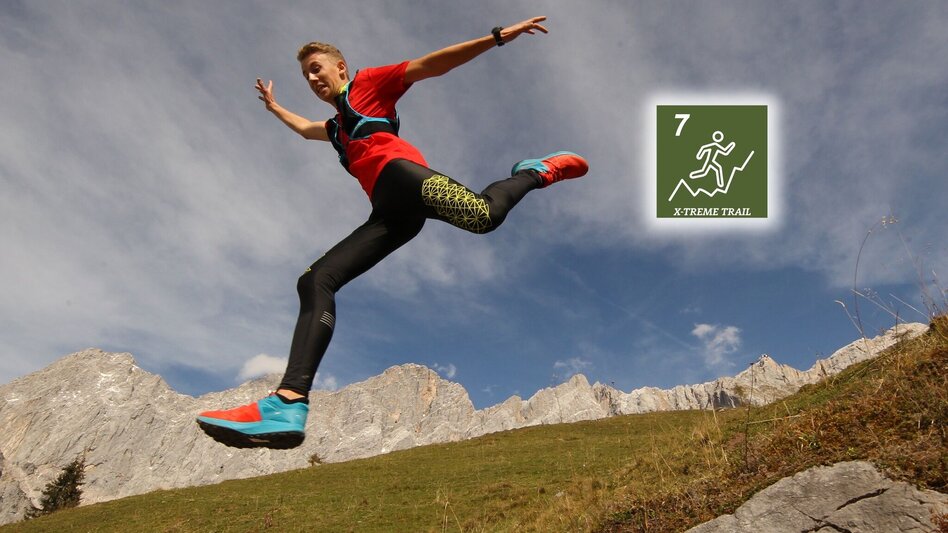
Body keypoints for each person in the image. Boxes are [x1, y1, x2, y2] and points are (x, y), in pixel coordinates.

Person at [196, 16, 589, 449]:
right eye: (305, 74)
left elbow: (430, 65)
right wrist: (274, 108)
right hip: (390, 213)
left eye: (316, 68)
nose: (311, 78)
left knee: (483, 217)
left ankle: (534, 171)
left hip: (402, 175)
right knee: (315, 280)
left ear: (341, 67)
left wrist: (495, 38)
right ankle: (287, 402)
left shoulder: (368, 85)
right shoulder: (333, 130)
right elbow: (306, 128)